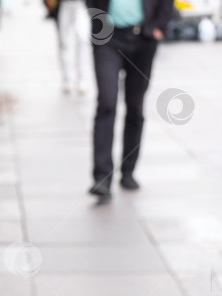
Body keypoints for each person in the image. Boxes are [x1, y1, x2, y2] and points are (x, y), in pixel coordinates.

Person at [86, 0, 173, 202]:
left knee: (135, 107)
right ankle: (102, 178)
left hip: (143, 38)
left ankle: (128, 171)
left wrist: (158, 27)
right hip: (107, 37)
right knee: (107, 102)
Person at [56, 0, 90, 93]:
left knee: (82, 40)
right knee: (64, 41)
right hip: (64, 4)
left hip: (81, 4)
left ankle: (81, 77)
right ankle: (66, 78)